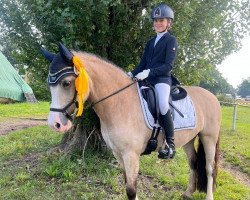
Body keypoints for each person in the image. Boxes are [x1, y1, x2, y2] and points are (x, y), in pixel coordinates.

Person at [128, 3, 178, 159]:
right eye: (156, 20)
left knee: (163, 104)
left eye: (161, 20)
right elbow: (142, 64)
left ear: (168, 23)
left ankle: (170, 145)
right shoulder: (150, 42)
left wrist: (149, 72)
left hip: (162, 79)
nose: (158, 23)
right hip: (146, 79)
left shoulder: (171, 40)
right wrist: (131, 73)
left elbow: (167, 66)